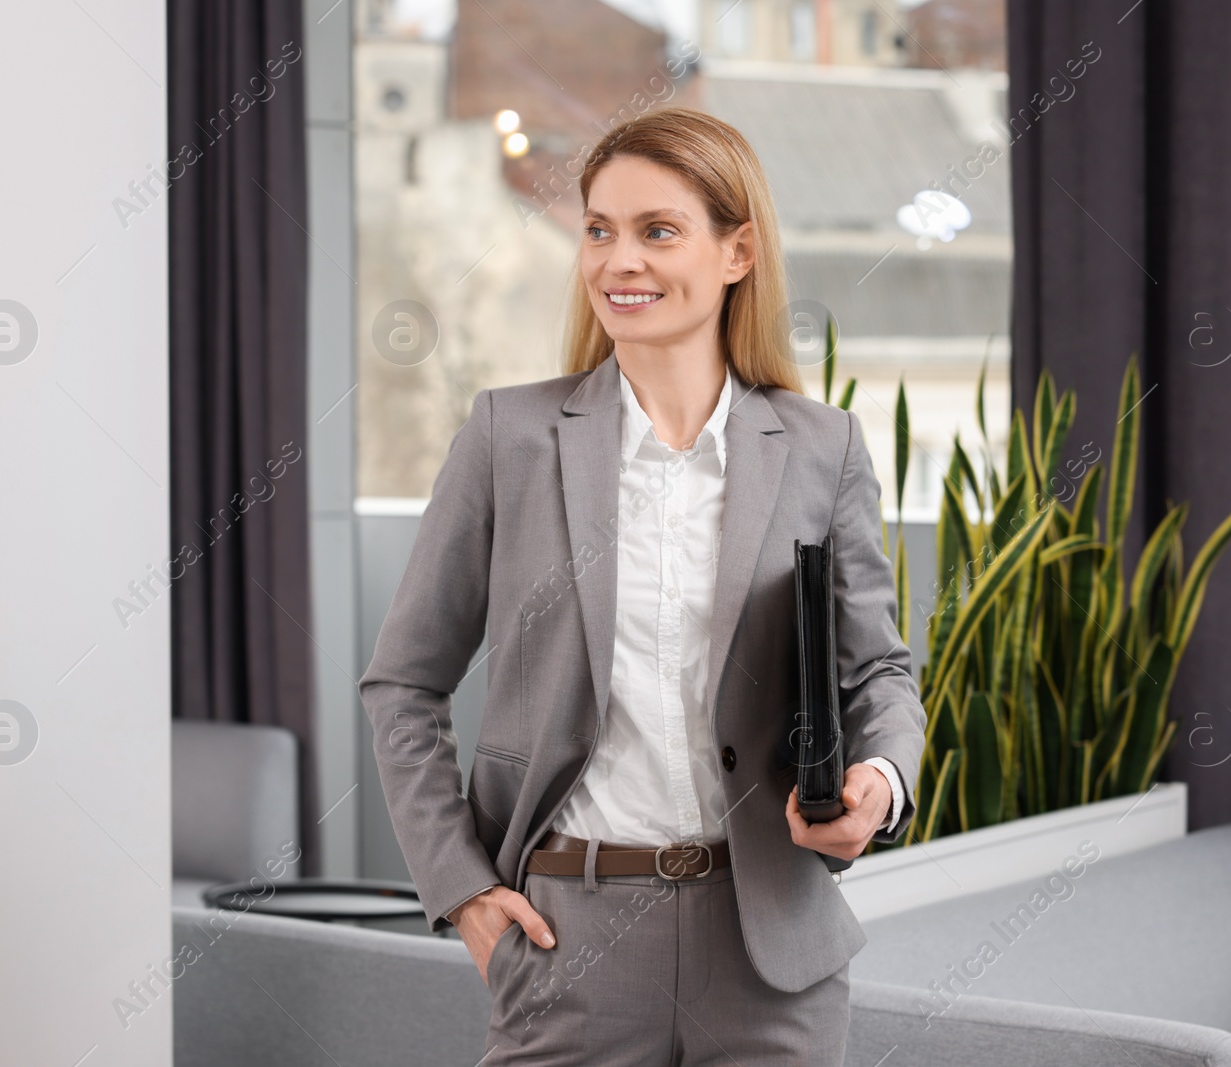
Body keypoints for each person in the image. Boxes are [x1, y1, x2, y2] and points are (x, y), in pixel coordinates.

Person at [358, 106, 927, 1066]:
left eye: (658, 231)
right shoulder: (509, 438)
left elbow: (878, 671)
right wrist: (459, 888)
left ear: (737, 251)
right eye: (599, 230)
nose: (621, 261)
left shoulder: (820, 448)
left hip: (770, 951)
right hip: (563, 943)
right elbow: (403, 685)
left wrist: (881, 777)